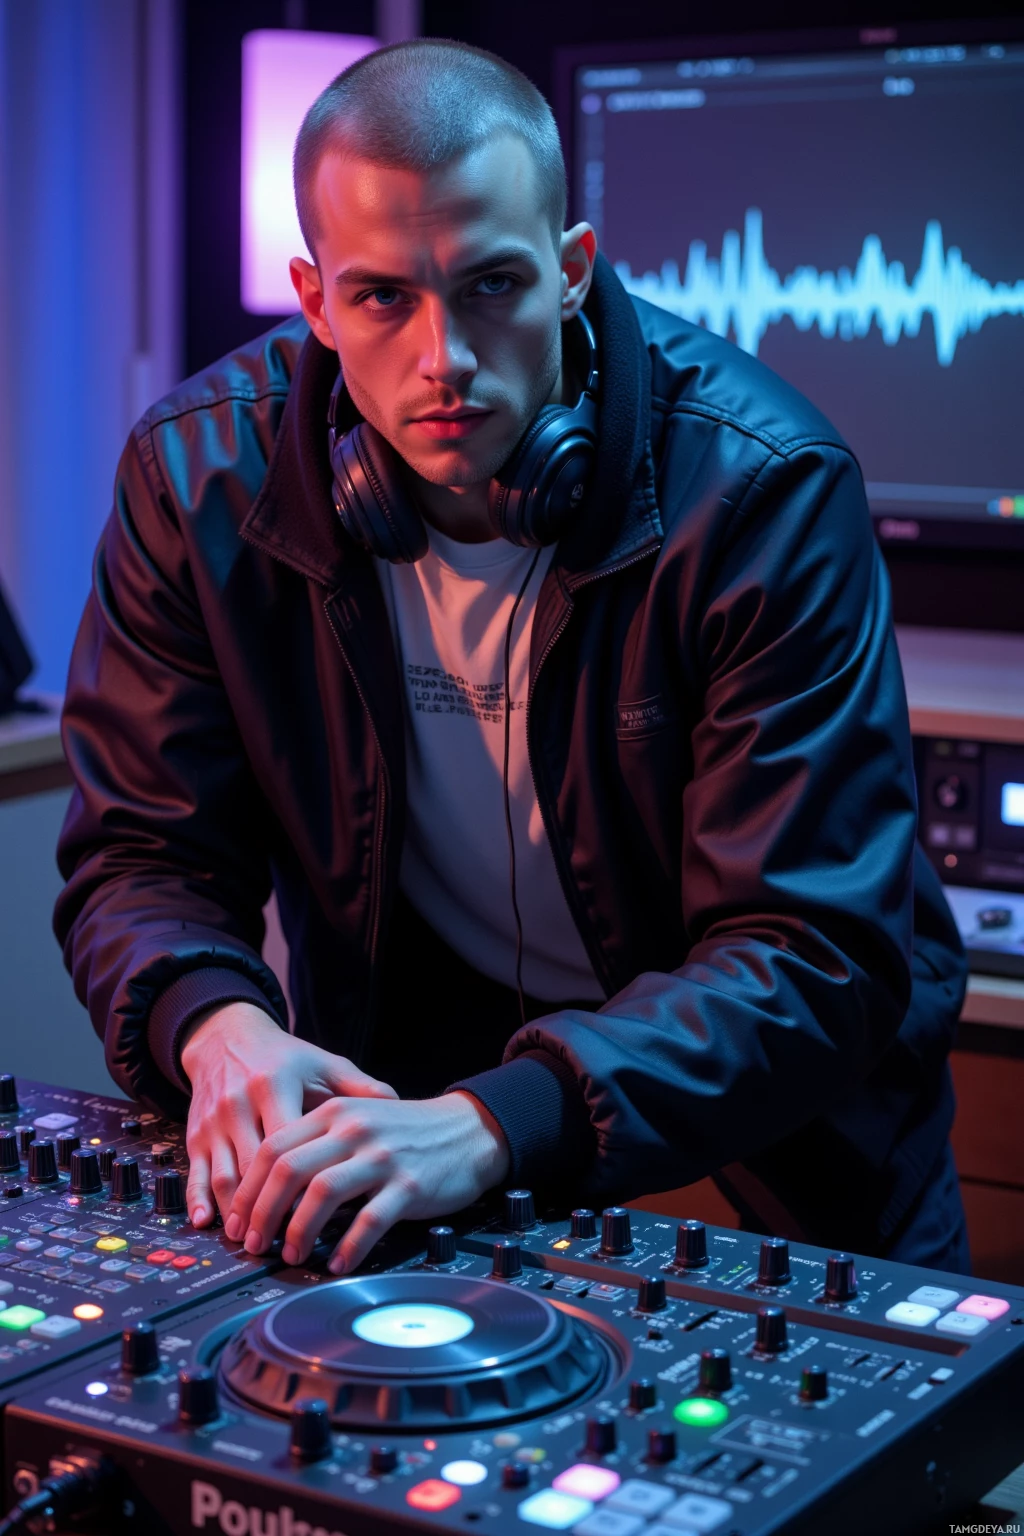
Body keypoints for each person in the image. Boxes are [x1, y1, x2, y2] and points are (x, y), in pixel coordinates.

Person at [54, 39, 970, 1280]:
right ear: (313, 301)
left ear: (572, 270)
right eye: (383, 298)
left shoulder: (763, 492)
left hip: (783, 1147)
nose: (445, 358)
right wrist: (214, 1024)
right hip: (419, 1115)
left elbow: (812, 948)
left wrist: (499, 1123)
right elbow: (140, 853)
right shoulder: (193, 480)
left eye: (492, 284)